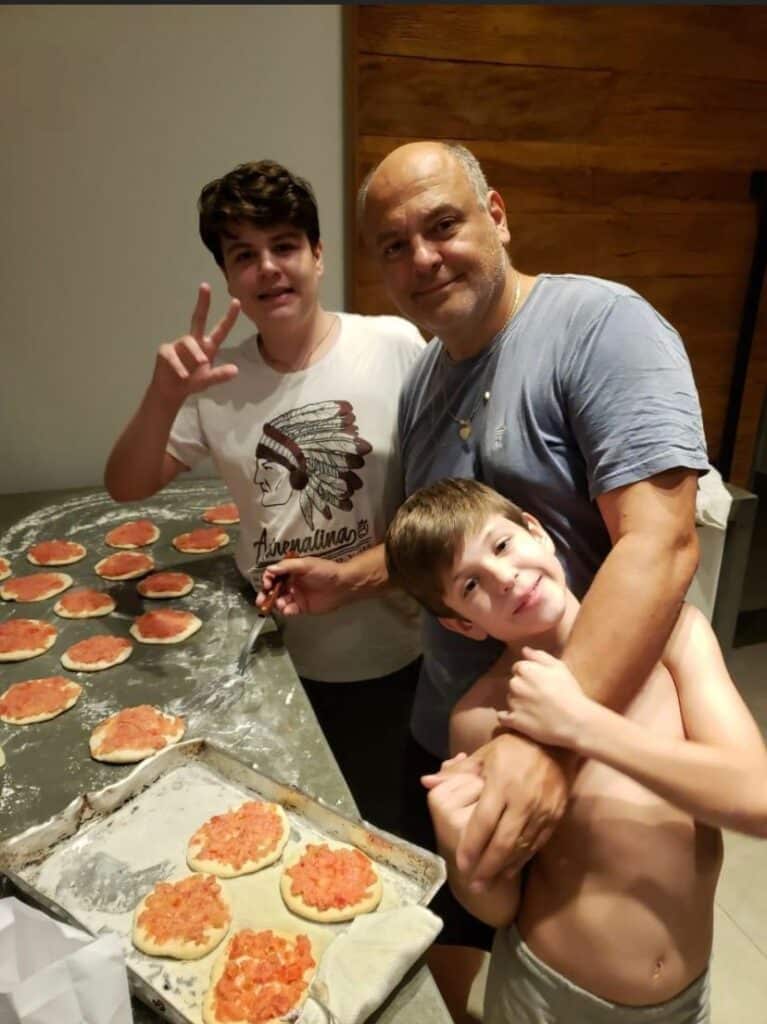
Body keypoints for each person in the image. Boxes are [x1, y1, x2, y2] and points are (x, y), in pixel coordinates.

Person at [261, 140, 710, 890]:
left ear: (496, 216)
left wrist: (549, 740)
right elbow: (445, 548)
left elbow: (659, 544)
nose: (423, 259)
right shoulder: (425, 380)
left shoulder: (599, 327)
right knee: (449, 935)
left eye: (443, 226)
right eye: (394, 246)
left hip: (587, 744)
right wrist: (347, 580)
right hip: (454, 731)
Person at [104, 159, 425, 836]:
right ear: (227, 277)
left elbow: (443, 505)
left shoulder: (394, 346)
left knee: (383, 828)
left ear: (317, 254)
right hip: (273, 657)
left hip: (395, 650)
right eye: (244, 255)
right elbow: (127, 485)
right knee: (295, 836)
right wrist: (163, 395)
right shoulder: (218, 382)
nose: (268, 268)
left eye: (284, 245)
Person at [385, 476, 767, 1024]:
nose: (505, 578)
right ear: (462, 623)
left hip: (686, 1001)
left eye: (502, 545)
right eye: (471, 585)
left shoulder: (675, 635)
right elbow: (499, 907)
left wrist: (584, 724)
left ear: (537, 532)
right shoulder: (480, 717)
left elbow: (757, 799)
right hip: (549, 999)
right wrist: (463, 856)